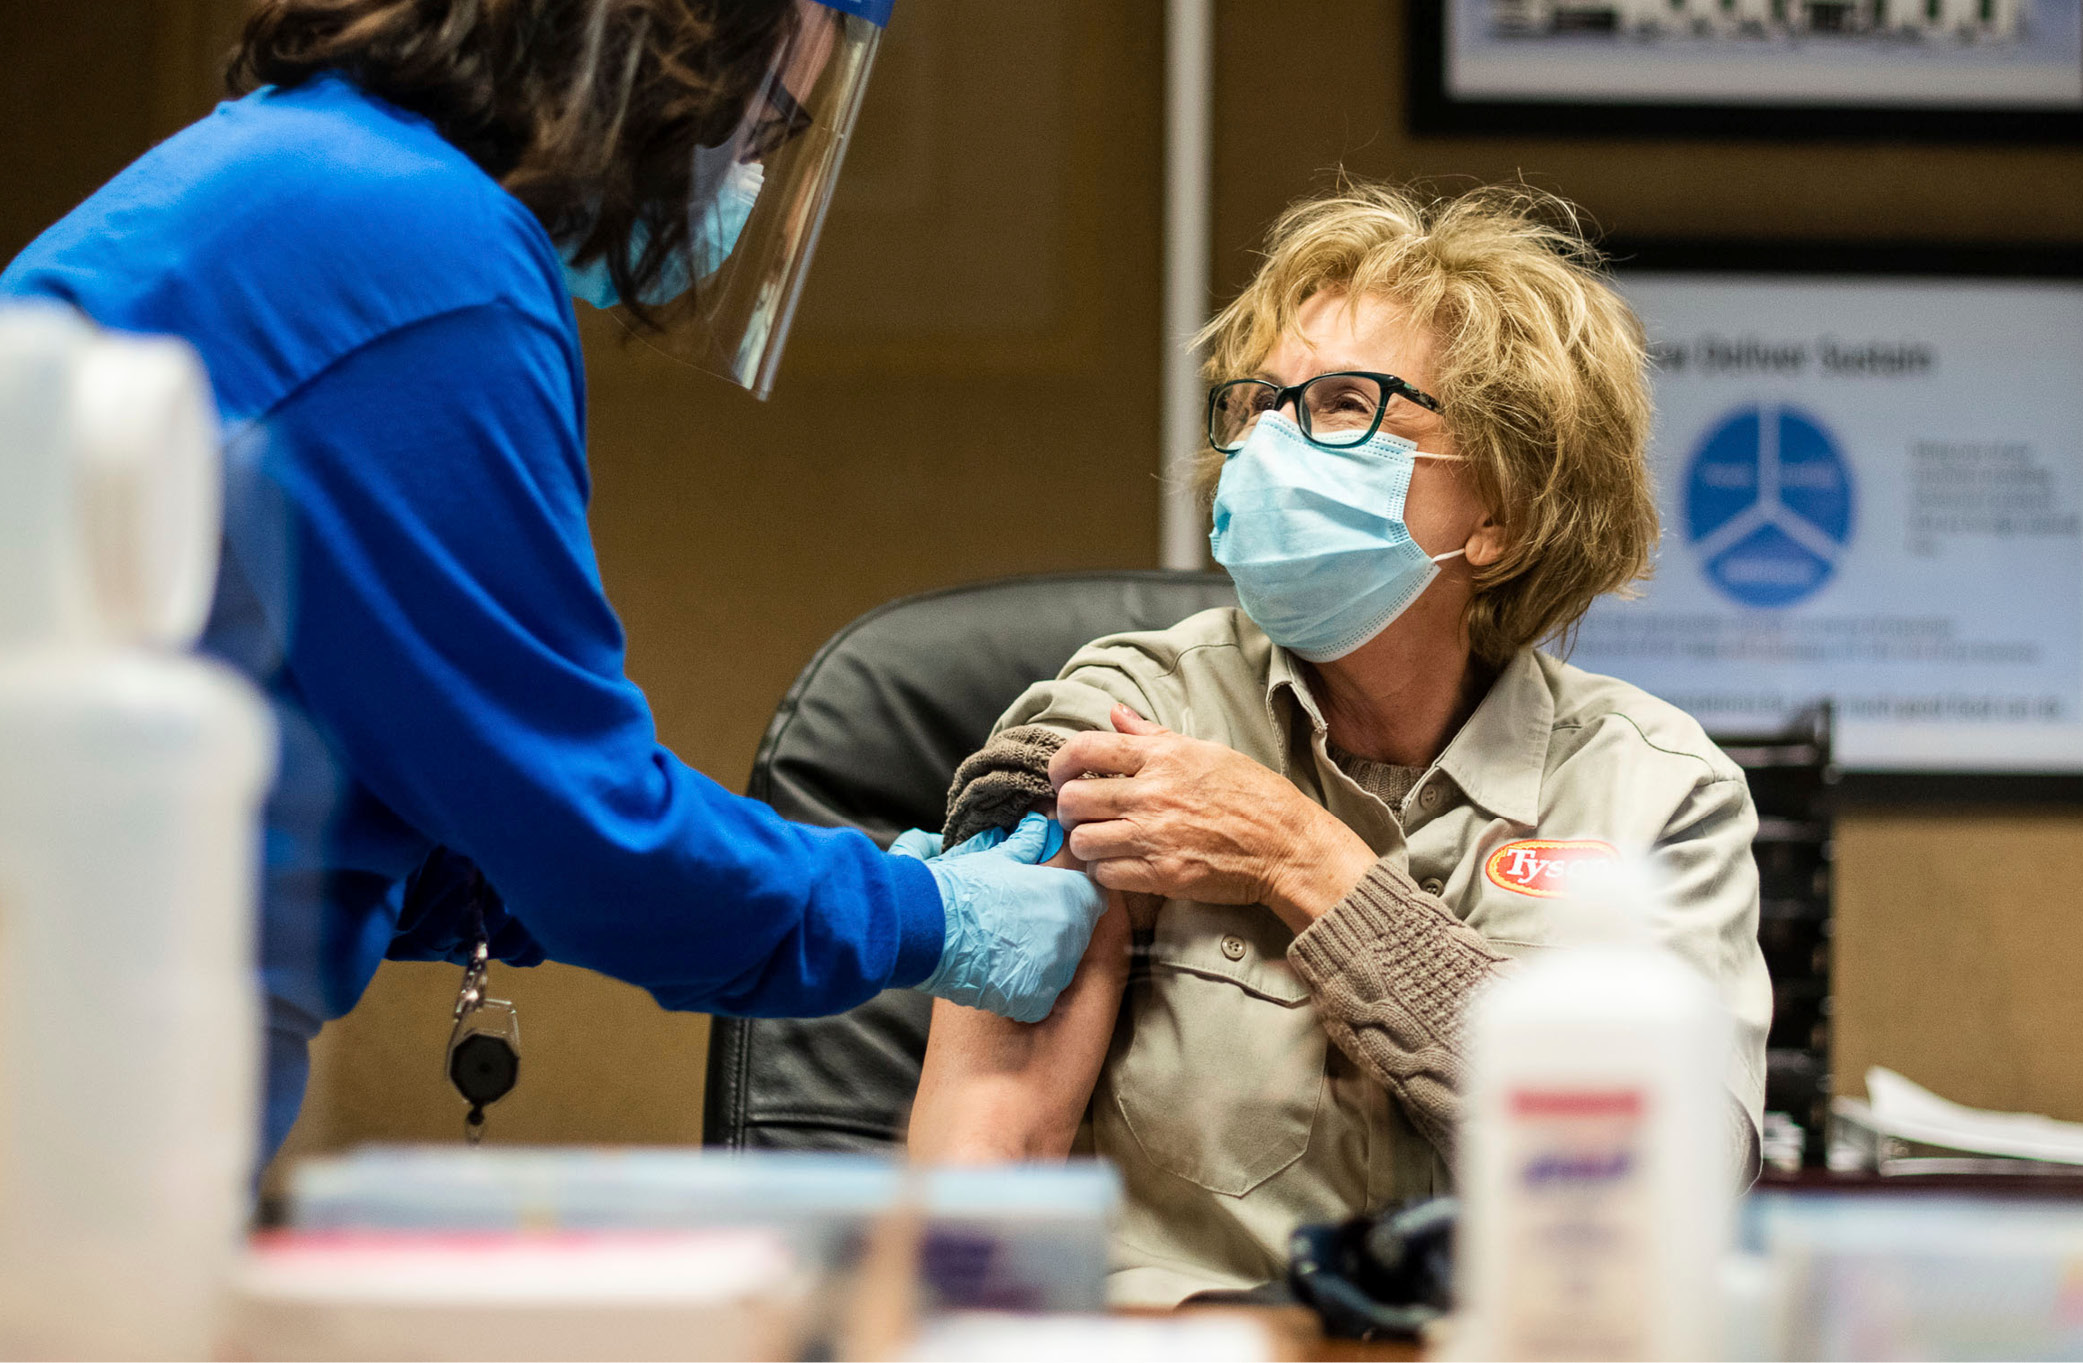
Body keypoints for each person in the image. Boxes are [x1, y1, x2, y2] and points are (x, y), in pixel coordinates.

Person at [0, 0, 1105, 1161]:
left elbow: (322, 807)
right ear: (663, 45)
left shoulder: (296, 171)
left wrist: (860, 887)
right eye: (765, 127)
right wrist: (926, 917)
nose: (746, 177)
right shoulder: (423, 255)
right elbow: (586, 830)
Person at [906, 182, 1773, 1306]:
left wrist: (1299, 858)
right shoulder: (1123, 716)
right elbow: (988, 1158)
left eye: (1345, 404)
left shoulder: (1655, 793)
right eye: (1257, 404)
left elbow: (1673, 1188)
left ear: (1501, 510)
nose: (1268, 443)